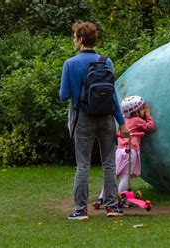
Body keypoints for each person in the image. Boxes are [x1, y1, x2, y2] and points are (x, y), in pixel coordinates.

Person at [59, 21, 129, 220]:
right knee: (109, 164)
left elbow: (64, 95)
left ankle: (81, 210)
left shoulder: (70, 64)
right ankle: (112, 207)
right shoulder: (106, 62)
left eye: (74, 37)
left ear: (81, 39)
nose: (74, 41)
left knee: (83, 164)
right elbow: (113, 95)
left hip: (82, 118)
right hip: (106, 118)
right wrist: (122, 122)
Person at [92, 96, 156, 209]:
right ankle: (119, 199)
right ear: (135, 111)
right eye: (142, 109)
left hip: (119, 150)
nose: (143, 110)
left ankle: (101, 198)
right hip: (131, 151)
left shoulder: (123, 119)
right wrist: (148, 115)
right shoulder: (137, 120)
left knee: (114, 175)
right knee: (126, 176)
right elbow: (150, 127)